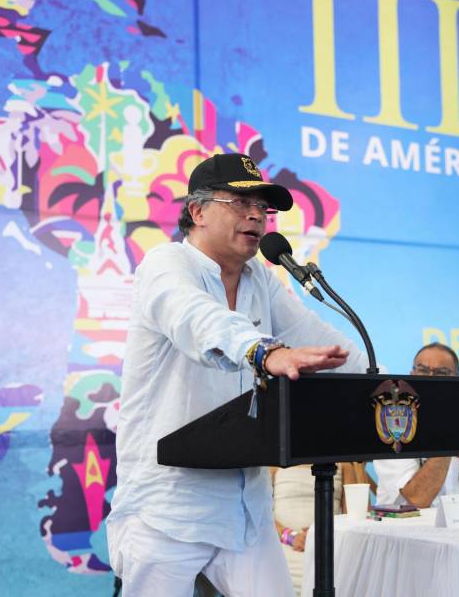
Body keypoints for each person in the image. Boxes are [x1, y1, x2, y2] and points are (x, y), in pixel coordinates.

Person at [106, 153, 367, 597]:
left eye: (262, 208)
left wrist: (381, 384)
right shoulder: (167, 265)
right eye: (239, 203)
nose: (256, 216)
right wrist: (265, 351)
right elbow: (198, 319)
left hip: (246, 509)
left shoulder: (260, 281)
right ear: (197, 210)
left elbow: (325, 344)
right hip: (168, 508)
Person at [374, 343, 459, 507]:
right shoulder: (394, 422)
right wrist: (450, 431)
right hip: (407, 527)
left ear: (457, 378)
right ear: (411, 374)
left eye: (442, 373)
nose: (431, 378)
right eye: (423, 371)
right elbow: (417, 499)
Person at [270, 462, 371, 596]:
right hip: (285, 547)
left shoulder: (344, 465)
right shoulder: (275, 466)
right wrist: (290, 536)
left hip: (328, 547)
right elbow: (261, 515)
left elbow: (356, 518)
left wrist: (323, 534)